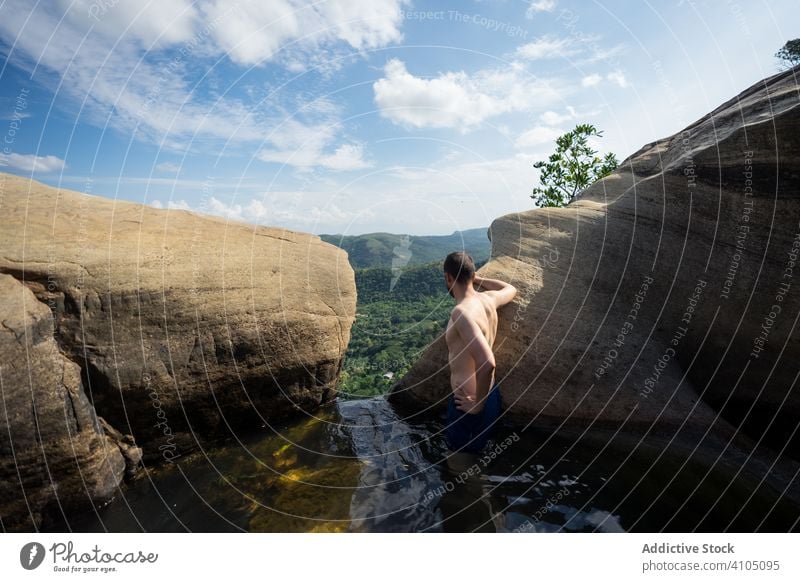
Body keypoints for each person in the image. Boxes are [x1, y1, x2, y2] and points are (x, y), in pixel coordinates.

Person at [442, 251, 517, 453]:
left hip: (468, 404)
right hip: (490, 394)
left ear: (448, 278)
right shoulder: (488, 299)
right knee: (478, 459)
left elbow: (487, 363)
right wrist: (478, 279)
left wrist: (476, 406)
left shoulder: (460, 312)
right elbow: (510, 289)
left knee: (460, 465)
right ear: (471, 276)